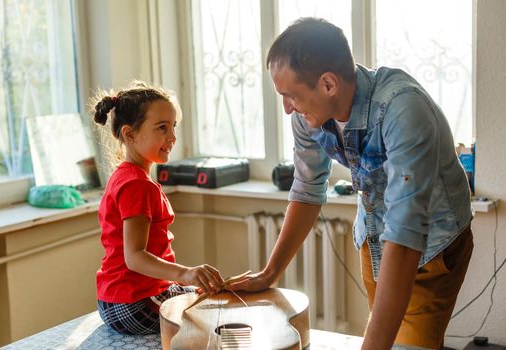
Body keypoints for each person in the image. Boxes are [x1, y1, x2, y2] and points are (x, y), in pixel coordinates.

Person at [229, 18, 473, 349]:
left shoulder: (403, 108)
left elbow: (406, 231)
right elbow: (307, 189)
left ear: (328, 84)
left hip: (431, 245)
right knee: (382, 333)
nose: (286, 108)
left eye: (290, 95)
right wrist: (269, 273)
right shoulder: (308, 114)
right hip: (373, 236)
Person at [91, 81, 223, 335]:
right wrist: (185, 273)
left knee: (202, 292)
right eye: (162, 128)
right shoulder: (137, 185)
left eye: (173, 126)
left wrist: (188, 280)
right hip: (132, 303)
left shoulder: (125, 176)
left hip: (115, 299)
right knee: (212, 312)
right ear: (130, 134)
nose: (172, 137)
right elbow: (135, 257)